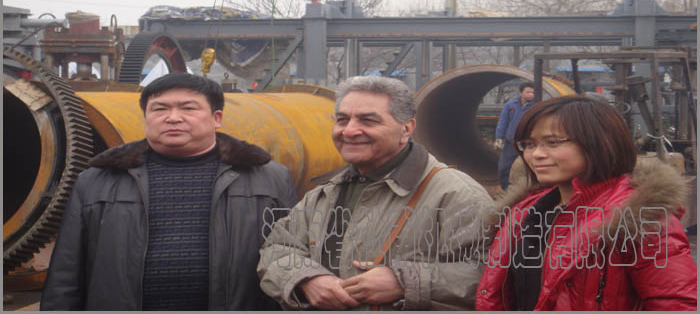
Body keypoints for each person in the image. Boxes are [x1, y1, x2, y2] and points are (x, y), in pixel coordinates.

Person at [41, 73, 297, 310]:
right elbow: (66, 272)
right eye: (159, 109)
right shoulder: (97, 181)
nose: (173, 118)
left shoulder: (269, 179)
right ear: (146, 117)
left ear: (216, 118)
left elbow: (291, 258)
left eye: (188, 108)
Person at [258, 75, 494, 310]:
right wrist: (306, 279)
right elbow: (277, 249)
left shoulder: (456, 195)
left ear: (406, 129)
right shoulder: (324, 193)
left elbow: (487, 273)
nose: (349, 131)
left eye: (368, 121)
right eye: (342, 120)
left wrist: (405, 282)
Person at [477, 95, 697, 310]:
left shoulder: (638, 217)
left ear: (599, 142)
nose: (536, 154)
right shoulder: (524, 210)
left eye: (552, 142)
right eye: (529, 144)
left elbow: (678, 303)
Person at [494, 82, 535, 190]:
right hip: (511, 143)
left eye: (533, 92)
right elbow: (503, 121)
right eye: (528, 92)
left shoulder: (536, 106)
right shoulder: (511, 105)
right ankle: (506, 190)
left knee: (528, 167)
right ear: (521, 93)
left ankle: (528, 190)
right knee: (504, 167)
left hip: (527, 143)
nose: (531, 94)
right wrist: (499, 137)